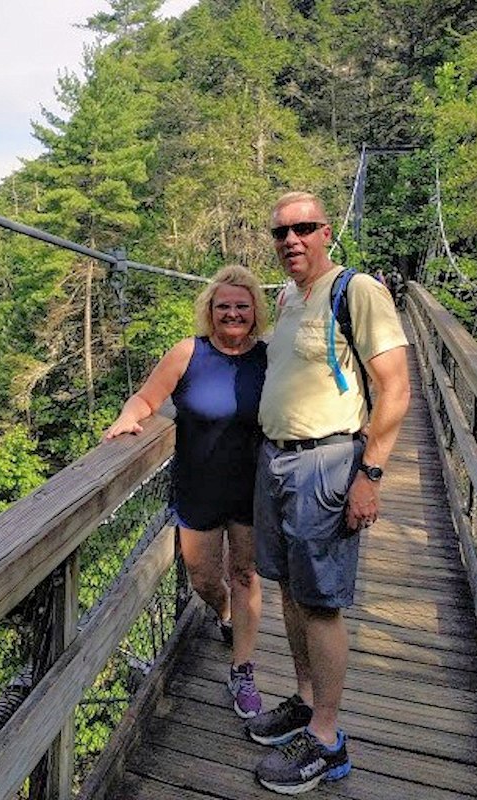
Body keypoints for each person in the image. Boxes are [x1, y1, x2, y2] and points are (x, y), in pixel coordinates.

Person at [247, 191, 411, 794]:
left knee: (321, 604)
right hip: (276, 463)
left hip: (328, 466)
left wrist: (370, 475)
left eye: (305, 228)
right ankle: (306, 699)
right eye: (281, 232)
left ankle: (327, 739)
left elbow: (395, 390)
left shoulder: (357, 290)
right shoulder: (288, 298)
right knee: (291, 591)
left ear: (326, 231)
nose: (292, 240)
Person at [104, 264, 268, 719]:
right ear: (209, 311)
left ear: (255, 310)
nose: (232, 314)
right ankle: (227, 617)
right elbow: (146, 398)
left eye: (241, 306)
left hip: (252, 487)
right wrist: (128, 417)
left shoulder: (269, 358)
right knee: (202, 577)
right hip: (198, 485)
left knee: (245, 575)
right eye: (223, 307)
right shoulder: (187, 353)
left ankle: (243, 667)